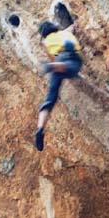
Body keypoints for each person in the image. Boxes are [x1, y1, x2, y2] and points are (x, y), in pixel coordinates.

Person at [35, 21, 83, 151]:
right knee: (74, 67)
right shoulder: (64, 33)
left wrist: (55, 63)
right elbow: (73, 26)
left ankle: (40, 128)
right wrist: (75, 24)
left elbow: (52, 57)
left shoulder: (46, 42)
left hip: (58, 61)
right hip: (71, 55)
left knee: (49, 100)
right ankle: (60, 66)